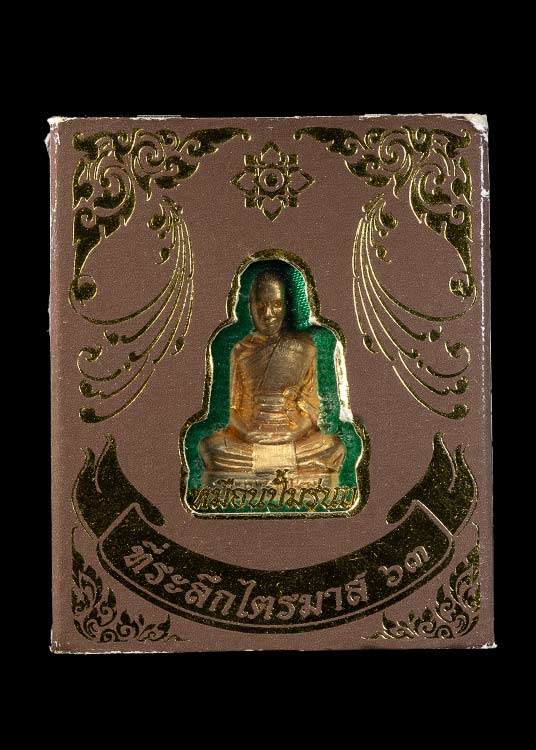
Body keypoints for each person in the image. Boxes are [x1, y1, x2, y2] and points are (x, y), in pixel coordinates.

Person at [199, 270, 344, 478]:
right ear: (250, 307)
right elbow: (232, 410)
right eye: (260, 306)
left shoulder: (304, 347)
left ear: (285, 306)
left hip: (293, 438)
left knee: (333, 447)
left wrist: (294, 433)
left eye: (276, 305)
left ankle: (264, 466)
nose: (268, 314)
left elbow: (312, 409)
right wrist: (247, 434)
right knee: (210, 448)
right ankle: (281, 465)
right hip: (252, 440)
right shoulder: (240, 351)